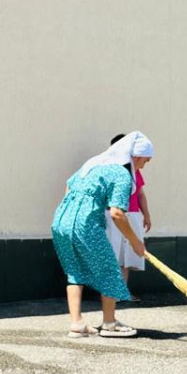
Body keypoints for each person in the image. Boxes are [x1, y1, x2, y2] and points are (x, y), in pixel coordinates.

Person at [51, 132, 153, 338]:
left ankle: (77, 324)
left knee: (74, 271)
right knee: (109, 269)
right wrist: (135, 242)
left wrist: (75, 211)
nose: (144, 165)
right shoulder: (122, 175)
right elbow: (117, 213)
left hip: (61, 219)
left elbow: (69, 185)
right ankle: (109, 323)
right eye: (145, 160)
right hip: (85, 224)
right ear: (135, 156)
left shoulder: (94, 164)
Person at [104, 133, 152, 286]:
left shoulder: (135, 170)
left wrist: (146, 215)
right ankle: (109, 295)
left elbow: (140, 194)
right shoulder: (109, 169)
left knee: (127, 256)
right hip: (114, 215)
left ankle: (123, 292)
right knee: (113, 254)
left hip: (132, 215)